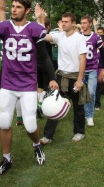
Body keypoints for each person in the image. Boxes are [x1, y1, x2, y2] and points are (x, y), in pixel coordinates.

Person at [0, 0, 59, 176]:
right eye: (12, 7)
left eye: (18, 7)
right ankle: (6, 159)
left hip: (28, 84)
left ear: (27, 10)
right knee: (5, 121)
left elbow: (44, 57)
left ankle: (37, 145)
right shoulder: (5, 26)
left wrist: (52, 78)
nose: (14, 10)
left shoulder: (33, 29)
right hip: (7, 83)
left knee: (30, 124)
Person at [39, 12, 87, 145]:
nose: (63, 23)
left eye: (66, 21)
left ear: (73, 23)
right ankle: (47, 136)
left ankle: (79, 132)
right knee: (54, 104)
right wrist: (39, 18)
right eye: (62, 21)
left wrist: (80, 80)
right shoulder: (59, 36)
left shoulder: (79, 38)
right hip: (60, 76)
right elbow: (42, 35)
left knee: (78, 107)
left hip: (75, 76)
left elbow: (83, 60)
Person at [80, 16, 104, 126]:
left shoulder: (96, 37)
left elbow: (102, 53)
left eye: (85, 23)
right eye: (81, 23)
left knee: (91, 92)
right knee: (79, 93)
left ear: (90, 24)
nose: (82, 25)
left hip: (92, 69)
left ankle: (89, 116)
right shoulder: (78, 36)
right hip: (80, 69)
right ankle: (81, 113)